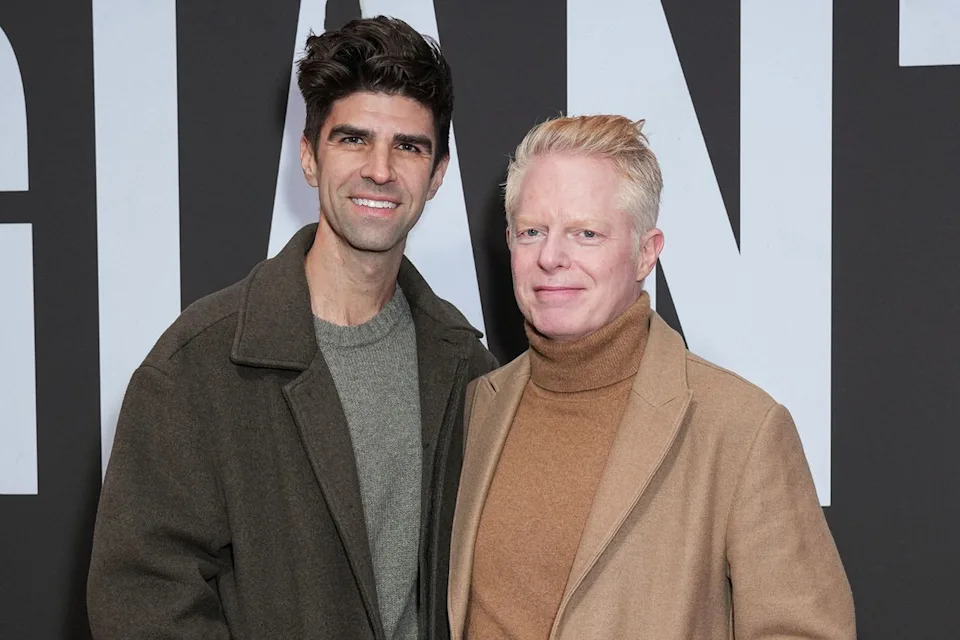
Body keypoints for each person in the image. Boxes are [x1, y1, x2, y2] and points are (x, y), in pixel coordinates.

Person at [87, 16, 496, 640]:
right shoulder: (198, 367)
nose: (380, 170)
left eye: (408, 147)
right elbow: (141, 602)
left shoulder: (466, 368)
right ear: (309, 157)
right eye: (353, 139)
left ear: (438, 173)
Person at [448, 115, 855, 639]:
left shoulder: (740, 428)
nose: (550, 257)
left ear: (646, 252)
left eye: (586, 233)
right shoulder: (478, 406)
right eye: (532, 232)